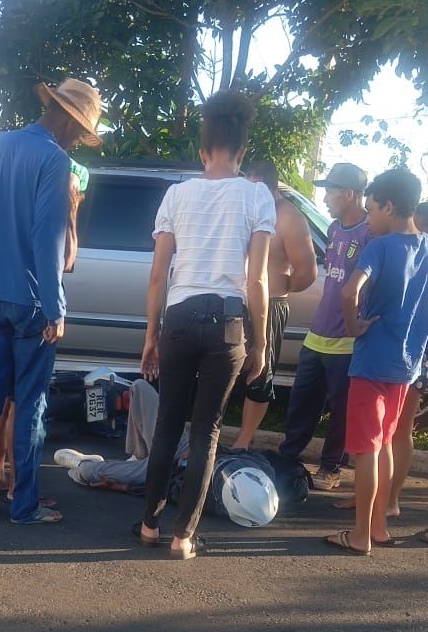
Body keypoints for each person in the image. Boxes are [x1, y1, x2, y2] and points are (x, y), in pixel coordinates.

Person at [0, 77, 102, 524]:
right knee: (31, 403)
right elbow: (47, 242)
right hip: (33, 302)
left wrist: (0, 249)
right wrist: (55, 308)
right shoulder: (55, 161)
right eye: (79, 131)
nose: (77, 139)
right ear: (67, 121)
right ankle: (24, 506)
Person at [138, 91, 275, 560]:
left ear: (203, 149)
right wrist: (261, 342)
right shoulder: (257, 196)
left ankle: (149, 525)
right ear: (242, 150)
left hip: (177, 316)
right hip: (227, 323)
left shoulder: (176, 194)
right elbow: (256, 278)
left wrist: (150, 336)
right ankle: (183, 537)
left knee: (167, 426)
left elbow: (159, 274)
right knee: (206, 431)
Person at [325, 168, 428, 555]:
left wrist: (353, 327)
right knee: (385, 443)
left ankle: (359, 535)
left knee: (365, 448)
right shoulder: (426, 246)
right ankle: (380, 526)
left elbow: (349, 291)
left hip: (372, 362)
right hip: (407, 365)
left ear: (388, 205)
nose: (368, 218)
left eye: (371, 209)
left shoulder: (379, 246)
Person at [278, 163, 370, 490]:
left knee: (340, 410)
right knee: (302, 402)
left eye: (330, 191)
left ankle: (331, 466)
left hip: (347, 341)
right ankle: (288, 456)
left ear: (348, 193)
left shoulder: (370, 232)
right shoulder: (332, 228)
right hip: (317, 335)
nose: (326, 197)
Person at [232, 160, 317, 449]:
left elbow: (307, 271)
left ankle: (243, 441)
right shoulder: (247, 209)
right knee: (225, 369)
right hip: (234, 302)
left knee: (259, 375)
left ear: (270, 188)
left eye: (255, 190)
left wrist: (279, 288)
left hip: (270, 303)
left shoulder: (289, 218)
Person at [54, 378, 188, 494]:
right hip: (187, 447)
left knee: (88, 473)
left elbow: (174, 493)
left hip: (167, 470)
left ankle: (82, 464)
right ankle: (139, 456)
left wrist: (122, 487)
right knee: (139, 387)